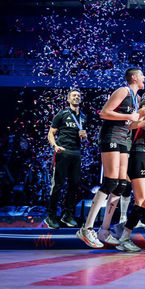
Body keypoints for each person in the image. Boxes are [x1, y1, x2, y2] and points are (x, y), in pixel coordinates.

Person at [76, 67, 145, 248]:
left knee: (120, 185)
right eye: (141, 75)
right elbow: (104, 113)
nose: (144, 77)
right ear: (134, 78)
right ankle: (88, 228)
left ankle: (105, 230)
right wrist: (131, 116)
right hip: (115, 140)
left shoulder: (135, 99)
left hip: (124, 142)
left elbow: (132, 123)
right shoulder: (123, 91)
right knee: (112, 183)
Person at [112, 96, 145, 251]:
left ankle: (125, 225)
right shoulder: (138, 118)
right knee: (141, 201)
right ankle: (124, 238)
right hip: (136, 156)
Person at [45, 89, 87, 229]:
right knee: (57, 185)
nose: (76, 97)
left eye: (78, 96)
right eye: (73, 95)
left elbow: (83, 138)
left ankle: (67, 215)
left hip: (76, 153)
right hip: (62, 152)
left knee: (74, 185)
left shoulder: (83, 117)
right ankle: (51, 216)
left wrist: (84, 137)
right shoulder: (62, 114)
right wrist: (54, 146)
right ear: (68, 99)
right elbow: (51, 133)